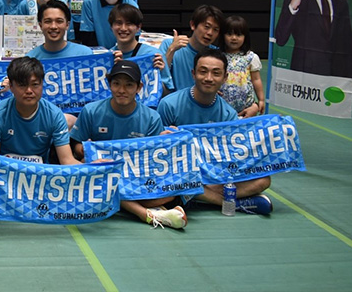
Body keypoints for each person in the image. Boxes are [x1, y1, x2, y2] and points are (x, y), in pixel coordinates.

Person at [70, 61, 188, 229]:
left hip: (137, 175)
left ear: (139, 87)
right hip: (103, 173)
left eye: (129, 85)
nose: (122, 90)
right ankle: (147, 213)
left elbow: (153, 161)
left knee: (171, 191)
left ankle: (133, 205)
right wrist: (86, 151)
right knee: (87, 167)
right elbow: (75, 146)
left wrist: (165, 143)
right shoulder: (91, 111)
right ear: (109, 84)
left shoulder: (151, 118)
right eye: (116, 84)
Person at [157, 49, 272, 215]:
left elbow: (230, 156)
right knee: (180, 180)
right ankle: (232, 204)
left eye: (216, 73)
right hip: (180, 173)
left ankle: (200, 197)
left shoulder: (228, 114)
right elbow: (157, 152)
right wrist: (167, 138)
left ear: (225, 78)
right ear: (193, 74)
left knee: (263, 179)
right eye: (203, 72)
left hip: (213, 176)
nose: (209, 78)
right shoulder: (169, 104)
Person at [0, 56, 79, 165]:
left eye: (35, 84)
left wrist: (94, 168)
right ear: (11, 87)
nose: (29, 91)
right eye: (22, 85)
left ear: (42, 85)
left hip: (39, 172)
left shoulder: (54, 115)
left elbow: (67, 160)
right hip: (5, 170)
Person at [159, 4, 224, 92]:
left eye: (215, 30)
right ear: (193, 25)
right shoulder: (170, 45)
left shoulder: (216, 53)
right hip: (172, 98)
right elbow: (158, 77)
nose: (210, 33)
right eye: (206, 27)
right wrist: (171, 51)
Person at [108, 4, 170, 89]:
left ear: (138, 27)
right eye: (118, 23)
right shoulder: (108, 58)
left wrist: (158, 76)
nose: (123, 28)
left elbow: (167, 92)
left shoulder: (154, 55)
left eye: (129, 24)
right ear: (111, 26)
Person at [220, 15, 265, 117]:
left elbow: (256, 79)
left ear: (245, 37)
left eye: (239, 34)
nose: (234, 38)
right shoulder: (218, 56)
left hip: (246, 108)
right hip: (222, 107)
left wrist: (261, 99)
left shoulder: (251, 57)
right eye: (229, 34)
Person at [27, 0, 93, 60]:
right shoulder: (31, 58)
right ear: (40, 25)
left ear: (67, 25)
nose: (53, 26)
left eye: (59, 21)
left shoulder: (84, 54)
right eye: (48, 21)